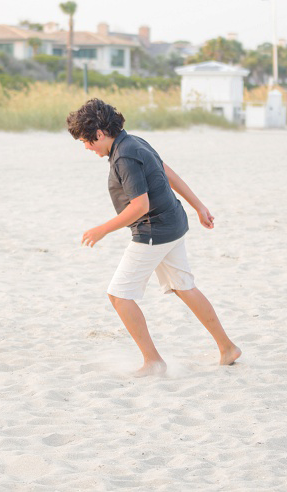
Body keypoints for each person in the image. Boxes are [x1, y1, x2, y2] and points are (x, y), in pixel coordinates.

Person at [67, 98, 241, 376]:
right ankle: (227, 347)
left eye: (86, 142)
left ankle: (153, 361)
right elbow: (166, 171)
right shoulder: (134, 141)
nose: (87, 148)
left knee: (118, 295)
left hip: (153, 232)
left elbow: (140, 206)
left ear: (98, 133)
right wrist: (198, 206)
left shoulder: (124, 155)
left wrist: (102, 229)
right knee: (185, 286)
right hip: (174, 223)